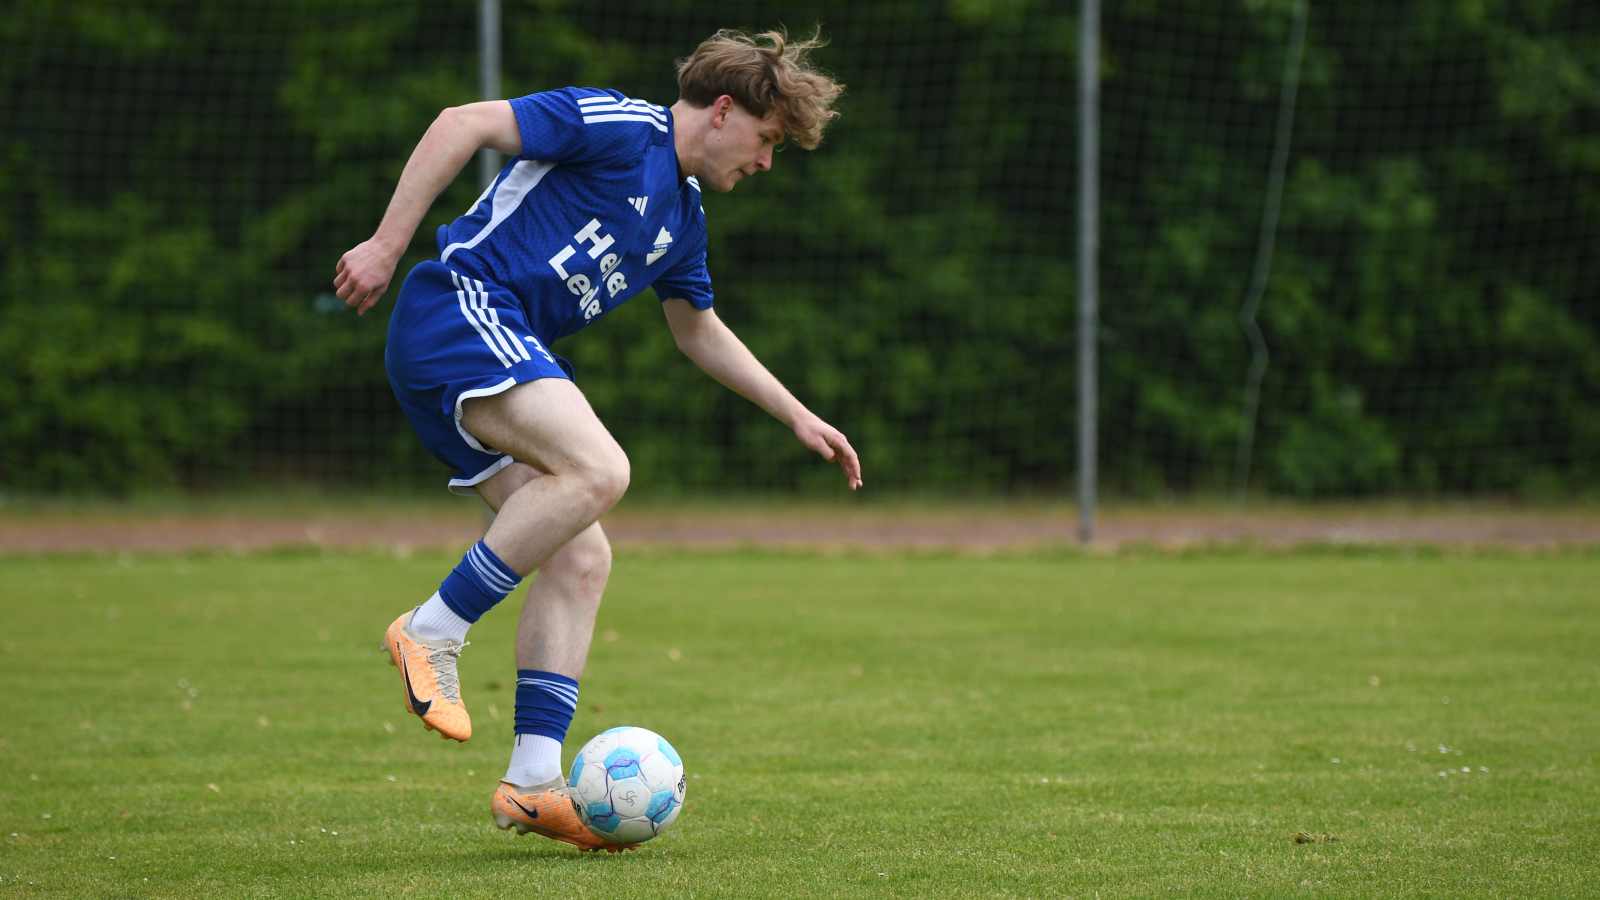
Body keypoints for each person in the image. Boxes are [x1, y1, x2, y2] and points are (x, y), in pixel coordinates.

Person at [331, 28, 861, 852]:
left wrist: (795, 413)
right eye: (766, 140)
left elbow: (697, 329)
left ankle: (534, 781)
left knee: (582, 555)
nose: (765, 162)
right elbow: (460, 123)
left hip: (487, 349)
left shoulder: (683, 216)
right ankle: (431, 630)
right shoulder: (617, 125)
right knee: (600, 468)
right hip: (459, 309)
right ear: (723, 111)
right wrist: (385, 245)